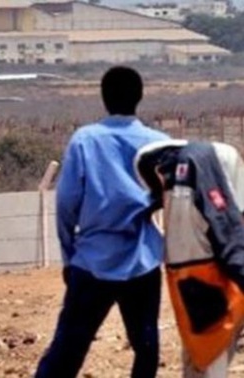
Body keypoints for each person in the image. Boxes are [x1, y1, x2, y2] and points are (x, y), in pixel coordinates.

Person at [34, 66, 170, 378]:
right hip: (143, 260)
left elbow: (67, 203)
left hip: (93, 260)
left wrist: (70, 256)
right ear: (139, 97)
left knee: (66, 352)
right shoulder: (159, 143)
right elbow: (172, 199)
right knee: (146, 350)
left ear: (104, 97)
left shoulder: (85, 141)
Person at [135, 140, 244, 378]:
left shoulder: (178, 179)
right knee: (212, 354)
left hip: (185, 279)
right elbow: (229, 232)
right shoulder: (211, 179)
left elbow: (144, 158)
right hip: (211, 280)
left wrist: (155, 193)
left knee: (197, 354)